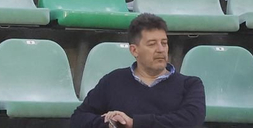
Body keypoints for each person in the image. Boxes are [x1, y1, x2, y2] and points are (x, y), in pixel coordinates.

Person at [71, 15, 206, 128]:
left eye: (164, 43)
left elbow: (191, 120)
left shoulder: (190, 85)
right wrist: (110, 123)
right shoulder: (113, 80)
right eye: (152, 44)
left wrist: (134, 123)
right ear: (134, 50)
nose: (161, 49)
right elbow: (78, 118)